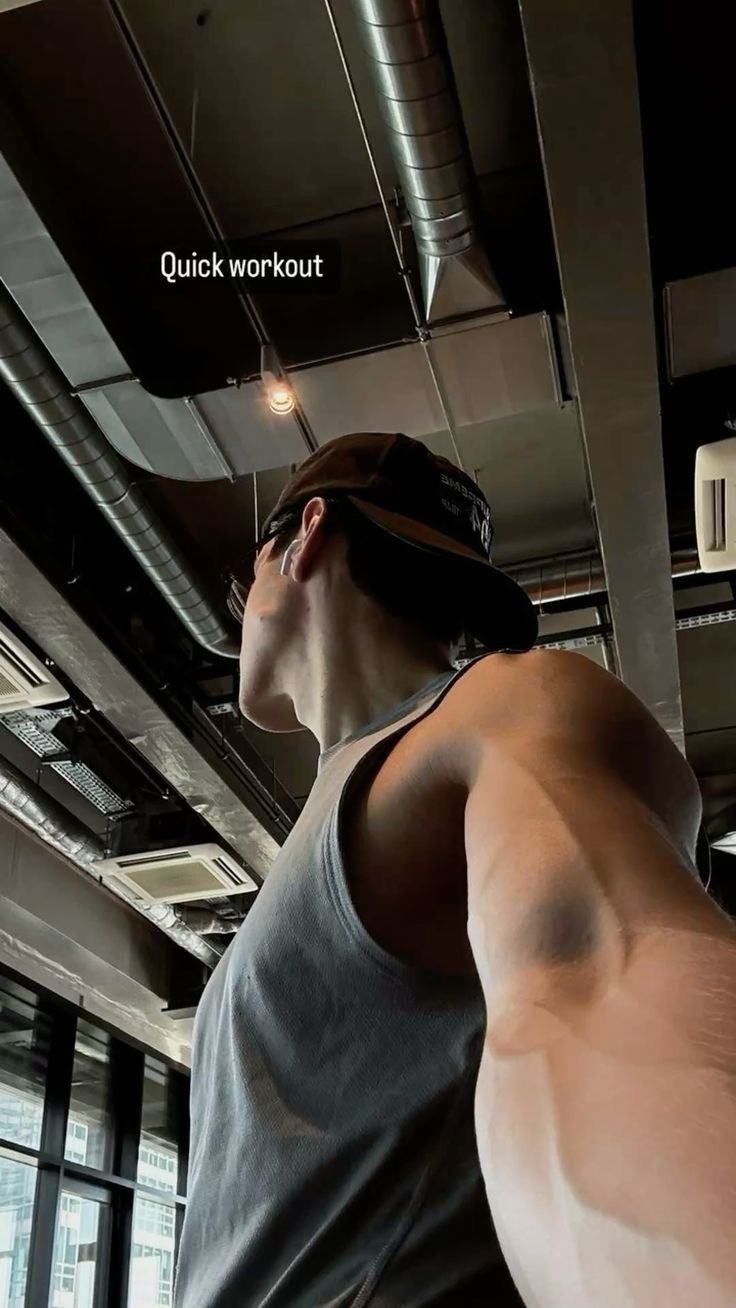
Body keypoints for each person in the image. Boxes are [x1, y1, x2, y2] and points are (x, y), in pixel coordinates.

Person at [175, 432, 736, 1308]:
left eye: (249, 576)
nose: (244, 604)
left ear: (303, 535)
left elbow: (598, 980)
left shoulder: (503, 707)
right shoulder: (346, 807)